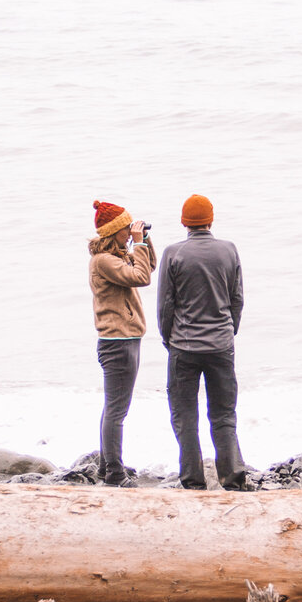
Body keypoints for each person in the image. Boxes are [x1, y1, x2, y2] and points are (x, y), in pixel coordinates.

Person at [157, 193, 248, 490]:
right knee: (223, 413)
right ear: (210, 220)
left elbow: (165, 306)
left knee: (184, 415)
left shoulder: (174, 253)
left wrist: (168, 338)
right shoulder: (229, 250)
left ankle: (193, 480)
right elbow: (237, 299)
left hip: (184, 346)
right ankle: (232, 478)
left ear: (184, 222)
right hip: (221, 344)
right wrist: (227, 330)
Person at [88, 199, 156, 487]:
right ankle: (115, 473)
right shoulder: (104, 261)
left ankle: (107, 467)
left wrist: (145, 241)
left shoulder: (117, 257)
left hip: (124, 338)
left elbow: (148, 266)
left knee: (114, 407)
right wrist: (138, 243)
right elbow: (141, 278)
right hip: (118, 341)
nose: (130, 232)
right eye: (126, 229)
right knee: (117, 410)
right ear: (113, 231)